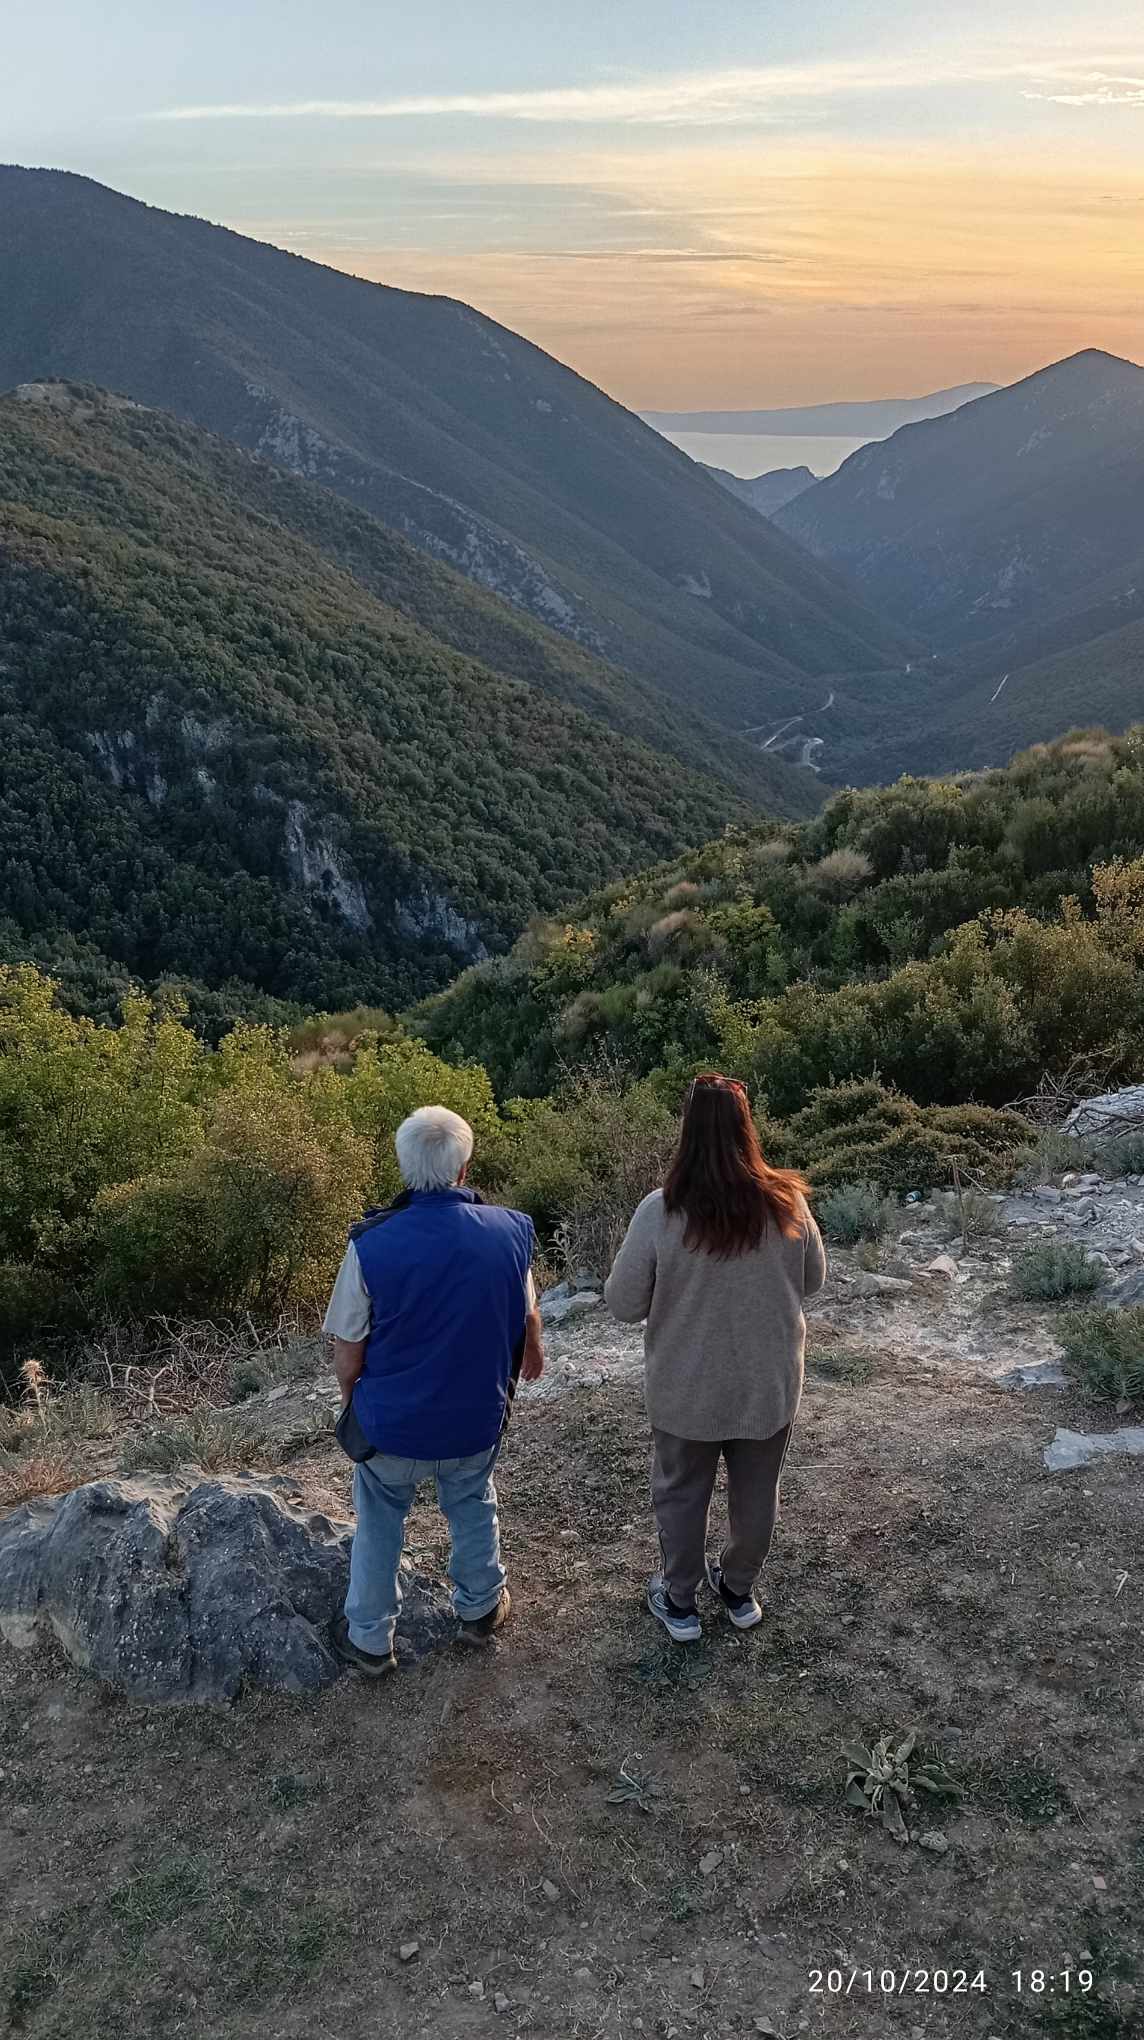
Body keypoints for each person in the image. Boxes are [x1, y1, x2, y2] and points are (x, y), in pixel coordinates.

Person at [323, 1105, 544, 1675]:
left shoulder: (371, 1244)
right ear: (464, 1168)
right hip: (474, 1420)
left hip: (392, 1428)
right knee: (472, 1501)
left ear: (404, 1167)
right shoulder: (510, 1232)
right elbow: (526, 1316)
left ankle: (370, 1640)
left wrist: (351, 1400)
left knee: (379, 1519)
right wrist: (531, 1354)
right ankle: (481, 1608)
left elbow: (349, 1348)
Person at [604, 1074, 825, 1643]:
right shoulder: (788, 1201)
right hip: (767, 1382)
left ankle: (680, 1601)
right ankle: (739, 1590)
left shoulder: (660, 1211)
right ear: (746, 1128)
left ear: (687, 1130)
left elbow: (623, 1304)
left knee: (681, 1493)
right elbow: (813, 1280)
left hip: (686, 1386)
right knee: (758, 1492)